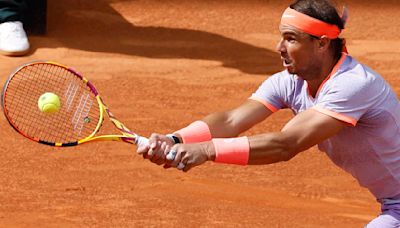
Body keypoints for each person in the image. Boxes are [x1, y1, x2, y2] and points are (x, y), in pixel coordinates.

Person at [137, 0, 400, 227]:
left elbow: (286, 145)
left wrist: (206, 151)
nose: (279, 47)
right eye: (281, 37)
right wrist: (175, 140)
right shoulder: (289, 82)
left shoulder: (353, 84)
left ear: (321, 44)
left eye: (290, 38)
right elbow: (231, 121)